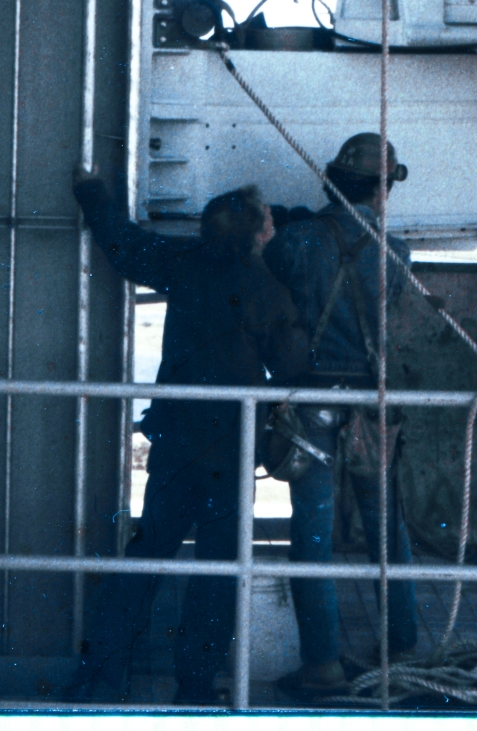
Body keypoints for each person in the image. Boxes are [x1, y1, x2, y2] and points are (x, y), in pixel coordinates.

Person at [66, 174, 308, 706]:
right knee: (218, 567)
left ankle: (101, 671)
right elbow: (292, 365)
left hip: (176, 442)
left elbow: (125, 247)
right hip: (231, 447)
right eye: (266, 219)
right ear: (253, 235)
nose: (272, 225)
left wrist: (96, 199)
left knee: (150, 551)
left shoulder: (185, 264)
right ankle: (195, 684)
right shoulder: (266, 291)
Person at [262, 132, 417, 701]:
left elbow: (277, 276)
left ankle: (322, 664)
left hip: (310, 402)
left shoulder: (296, 242)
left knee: (314, 531)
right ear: (382, 188)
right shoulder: (398, 253)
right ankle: (403, 649)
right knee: (386, 528)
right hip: (371, 404)